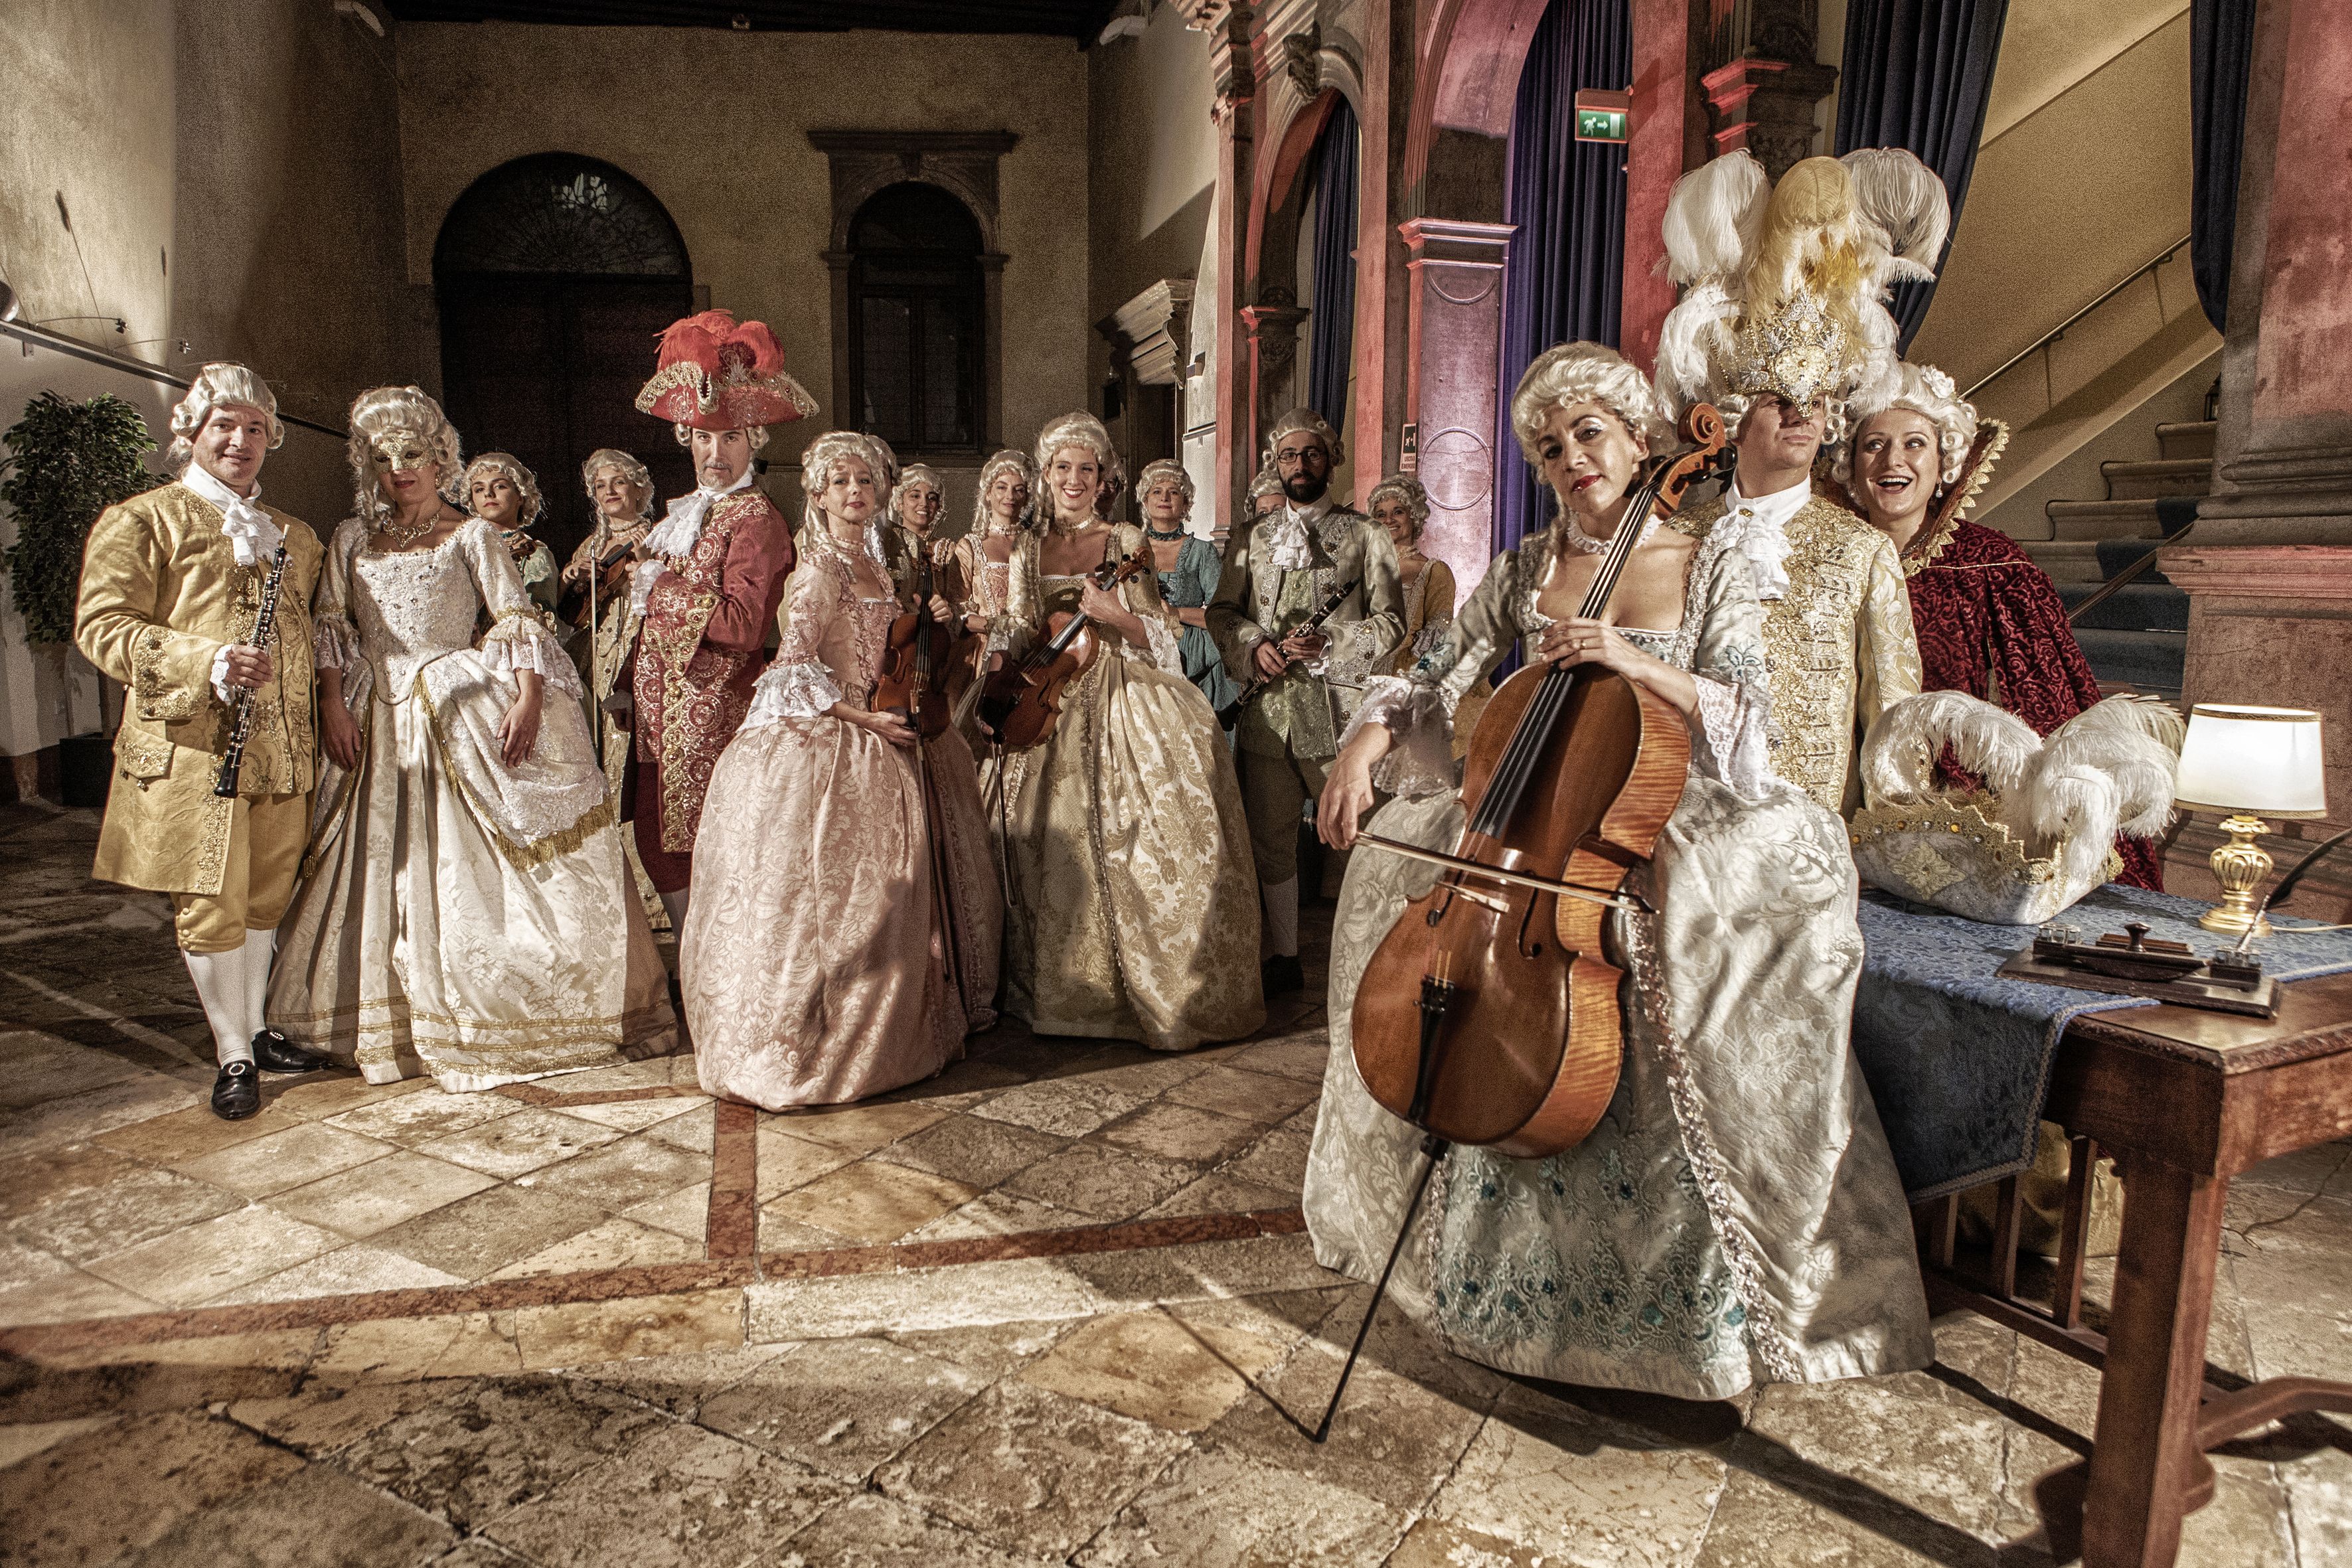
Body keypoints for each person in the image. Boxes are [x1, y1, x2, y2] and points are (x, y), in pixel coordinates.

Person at [1305, 341, 1932, 1399]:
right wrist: (1366, 740)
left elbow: (1748, 712)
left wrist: (1630, 656)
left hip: (1662, 805)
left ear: (1639, 440)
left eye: (1588, 434)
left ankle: (1673, 1317)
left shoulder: (1716, 552)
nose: (1571, 460)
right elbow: (1435, 662)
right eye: (1550, 449)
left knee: (1684, 950)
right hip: (1538, 812)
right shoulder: (1523, 567)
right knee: (1393, 895)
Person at [269, 386, 676, 1090]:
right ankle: (383, 1018)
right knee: (370, 864)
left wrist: (529, 698)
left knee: (473, 870)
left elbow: (515, 617)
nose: (400, 469)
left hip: (454, 705)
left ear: (440, 461)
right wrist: (333, 703)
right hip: (372, 713)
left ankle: (483, 1006)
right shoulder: (351, 538)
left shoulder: (472, 535)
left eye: (413, 455)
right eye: (384, 458)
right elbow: (332, 624)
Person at [684, 433, 1000, 1107]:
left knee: (893, 894)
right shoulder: (818, 569)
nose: (855, 492)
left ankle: (891, 1033)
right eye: (841, 482)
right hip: (835, 738)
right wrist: (865, 721)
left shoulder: (877, 565)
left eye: (865, 481)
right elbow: (793, 667)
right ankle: (808, 1044)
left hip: (886, 724)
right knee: (830, 902)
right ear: (819, 494)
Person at [74, 364, 332, 1119]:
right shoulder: (143, 520)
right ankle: (232, 1053)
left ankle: (255, 1027)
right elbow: (102, 626)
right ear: (192, 429)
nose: (240, 441)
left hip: (282, 749)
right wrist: (208, 659)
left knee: (265, 897)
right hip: (193, 752)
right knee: (210, 901)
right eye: (225, 425)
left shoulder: (296, 535)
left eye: (255, 428)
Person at [1653, 152, 1923, 816]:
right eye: (1780, 399)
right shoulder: (1676, 538)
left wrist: (1886, 836)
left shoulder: (1863, 551)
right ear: (1735, 414)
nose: (1802, 415)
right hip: (1690, 817)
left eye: (1816, 401)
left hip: (1810, 836)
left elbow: (1893, 721)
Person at [995, 412, 1263, 1051]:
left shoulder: (1125, 539)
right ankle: (1062, 990)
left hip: (1122, 690)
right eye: (1063, 468)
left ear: (1103, 479)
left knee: (1146, 837)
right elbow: (1018, 624)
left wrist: (1113, 613)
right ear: (1046, 474)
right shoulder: (1027, 547)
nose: (1074, 480)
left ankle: (1150, 990)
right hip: (1049, 692)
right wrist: (1003, 658)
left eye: (1086, 470)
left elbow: (1159, 634)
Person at [1838, 363, 2162, 888]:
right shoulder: (1827, 561)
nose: (1892, 460)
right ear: (1850, 464)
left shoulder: (1991, 565)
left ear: (1943, 461)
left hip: (1961, 813)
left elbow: (2043, 700)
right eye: (1873, 445)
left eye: (1914, 444)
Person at [625, 309, 811, 932]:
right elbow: (649, 622)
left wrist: (662, 588)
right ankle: (693, 955)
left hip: (715, 711)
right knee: (656, 842)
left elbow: (742, 626)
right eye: (704, 438)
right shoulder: (686, 515)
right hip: (660, 713)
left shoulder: (756, 520)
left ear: (753, 441)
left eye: (730, 438)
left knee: (707, 847)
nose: (715, 452)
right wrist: (626, 681)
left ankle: (714, 957)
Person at [1208, 408, 1404, 997]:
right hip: (1267, 717)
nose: (1300, 464)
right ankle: (1286, 956)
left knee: (1363, 836)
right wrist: (1254, 644)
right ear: (1277, 463)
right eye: (1289, 456)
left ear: (1331, 460)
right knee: (1270, 841)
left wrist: (1332, 641)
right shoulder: (1252, 536)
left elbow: (1392, 623)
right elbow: (1222, 613)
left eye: (1311, 454)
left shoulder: (1367, 534)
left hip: (1340, 717)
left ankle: (1376, 960)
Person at [561, 448, 657, 797]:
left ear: (637, 489)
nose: (610, 491)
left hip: (636, 646)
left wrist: (646, 565)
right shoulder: (591, 545)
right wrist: (571, 577)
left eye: (619, 482)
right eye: (601, 486)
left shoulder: (656, 537)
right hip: (595, 650)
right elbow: (571, 612)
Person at [941, 448, 1038, 745]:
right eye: (1002, 487)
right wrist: (996, 627)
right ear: (988, 494)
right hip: (981, 656)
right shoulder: (971, 546)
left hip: (1032, 651)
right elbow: (956, 609)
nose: (1010, 496)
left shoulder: (1037, 545)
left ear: (1027, 496)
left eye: (1018, 489)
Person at [1135, 459, 1239, 718]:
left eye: (1173, 492)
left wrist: (1176, 612)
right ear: (1146, 501)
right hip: (1140, 652)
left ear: (1186, 504)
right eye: (1157, 491)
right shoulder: (1131, 548)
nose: (1165, 498)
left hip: (1192, 658)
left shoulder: (1202, 552)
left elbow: (1221, 614)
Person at [464, 451, 558, 616]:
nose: (488, 494)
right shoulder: (462, 548)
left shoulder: (534, 554)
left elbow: (540, 618)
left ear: (520, 495)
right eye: (479, 489)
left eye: (500, 486)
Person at [882, 462, 947, 597]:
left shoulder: (946, 550)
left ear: (938, 507)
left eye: (931, 498)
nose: (924, 503)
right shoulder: (885, 542)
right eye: (915, 496)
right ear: (900, 502)